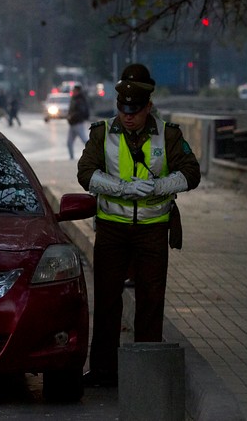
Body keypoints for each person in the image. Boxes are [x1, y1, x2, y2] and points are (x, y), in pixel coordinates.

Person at [76, 63, 201, 387]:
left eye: (134, 109)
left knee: (150, 299)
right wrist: (119, 187)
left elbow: (191, 172)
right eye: (123, 108)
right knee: (106, 300)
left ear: (148, 107)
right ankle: (103, 369)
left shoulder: (168, 134)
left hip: (152, 228)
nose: (127, 115)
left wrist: (162, 186)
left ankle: (146, 371)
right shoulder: (103, 133)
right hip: (112, 229)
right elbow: (85, 172)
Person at [66, 84, 90, 159]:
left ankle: (94, 153)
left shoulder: (80, 100)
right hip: (72, 123)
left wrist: (72, 116)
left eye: (74, 90)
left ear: (78, 91)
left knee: (84, 140)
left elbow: (81, 112)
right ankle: (71, 157)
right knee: (69, 143)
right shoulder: (74, 98)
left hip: (78, 123)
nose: (73, 92)